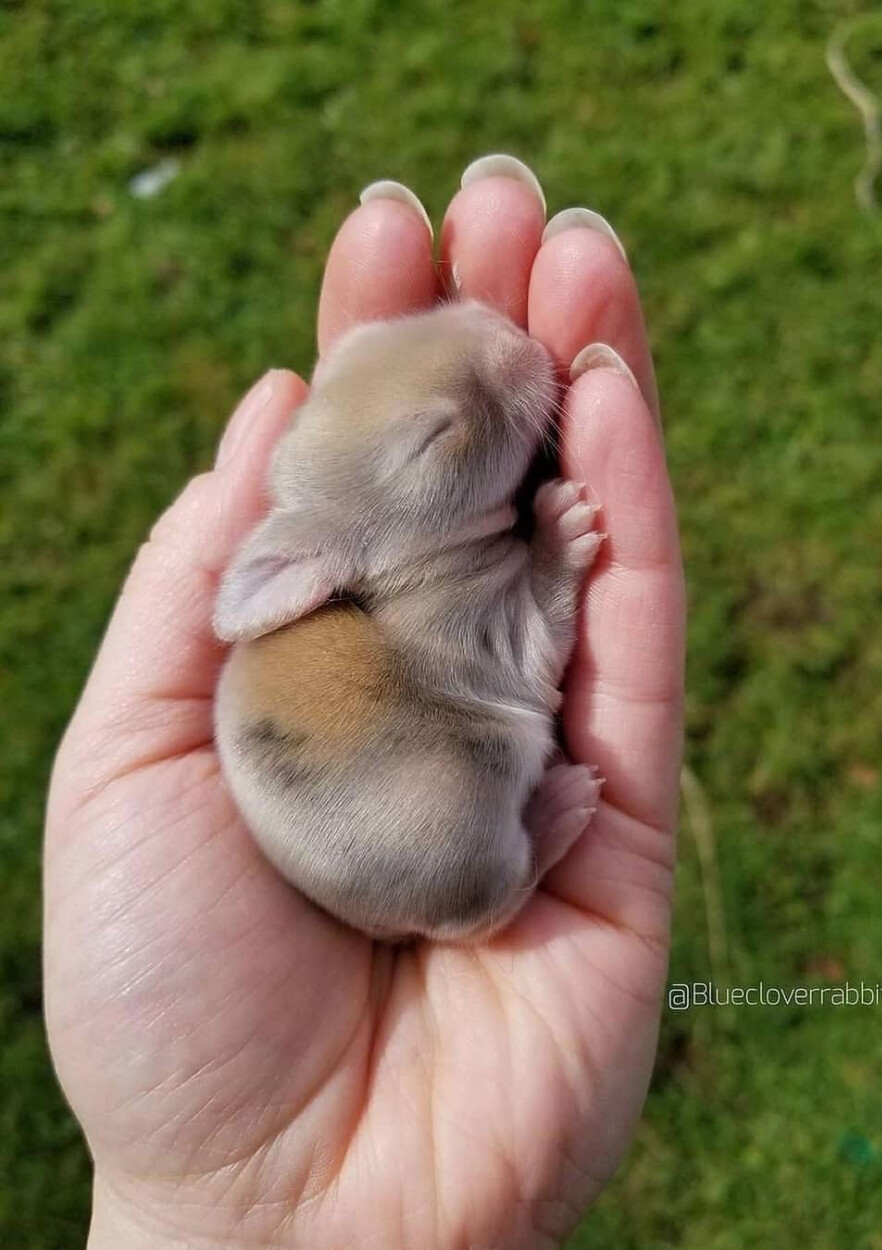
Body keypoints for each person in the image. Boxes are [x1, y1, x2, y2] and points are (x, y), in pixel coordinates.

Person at [44, 155, 686, 1249]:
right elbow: (510, 667)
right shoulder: (385, 592)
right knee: (464, 811)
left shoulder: (369, 561)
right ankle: (487, 892)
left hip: (357, 779)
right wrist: (544, 566)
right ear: (330, 559)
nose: (506, 350)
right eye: (440, 434)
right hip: (405, 819)